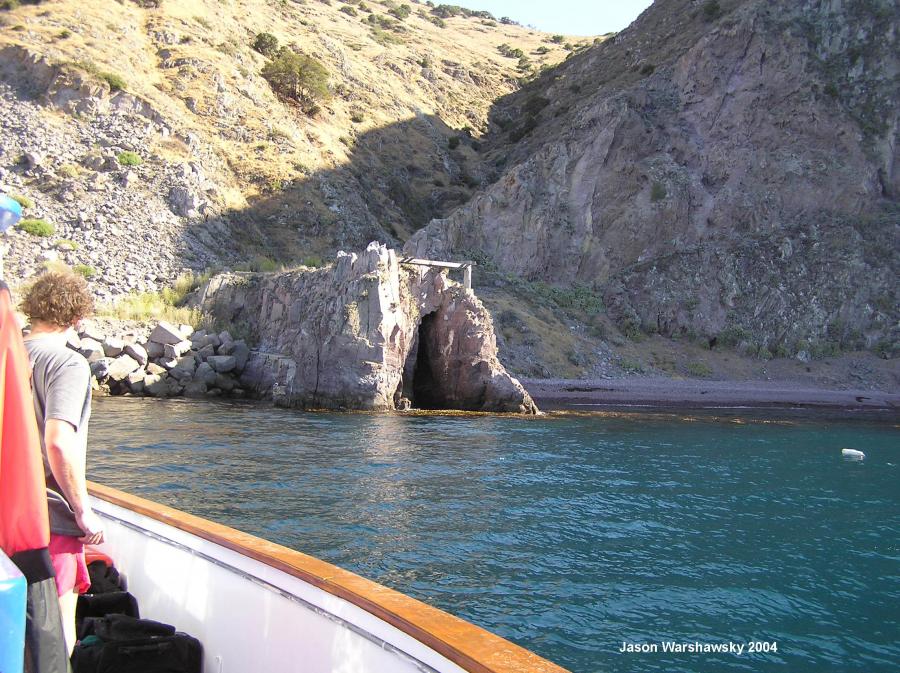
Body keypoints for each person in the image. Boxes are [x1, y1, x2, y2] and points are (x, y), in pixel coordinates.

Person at [21, 271, 104, 656]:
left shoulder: (10, 354)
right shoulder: (66, 365)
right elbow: (57, 442)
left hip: (7, 516)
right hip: (47, 519)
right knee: (54, 636)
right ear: (77, 319)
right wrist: (83, 512)